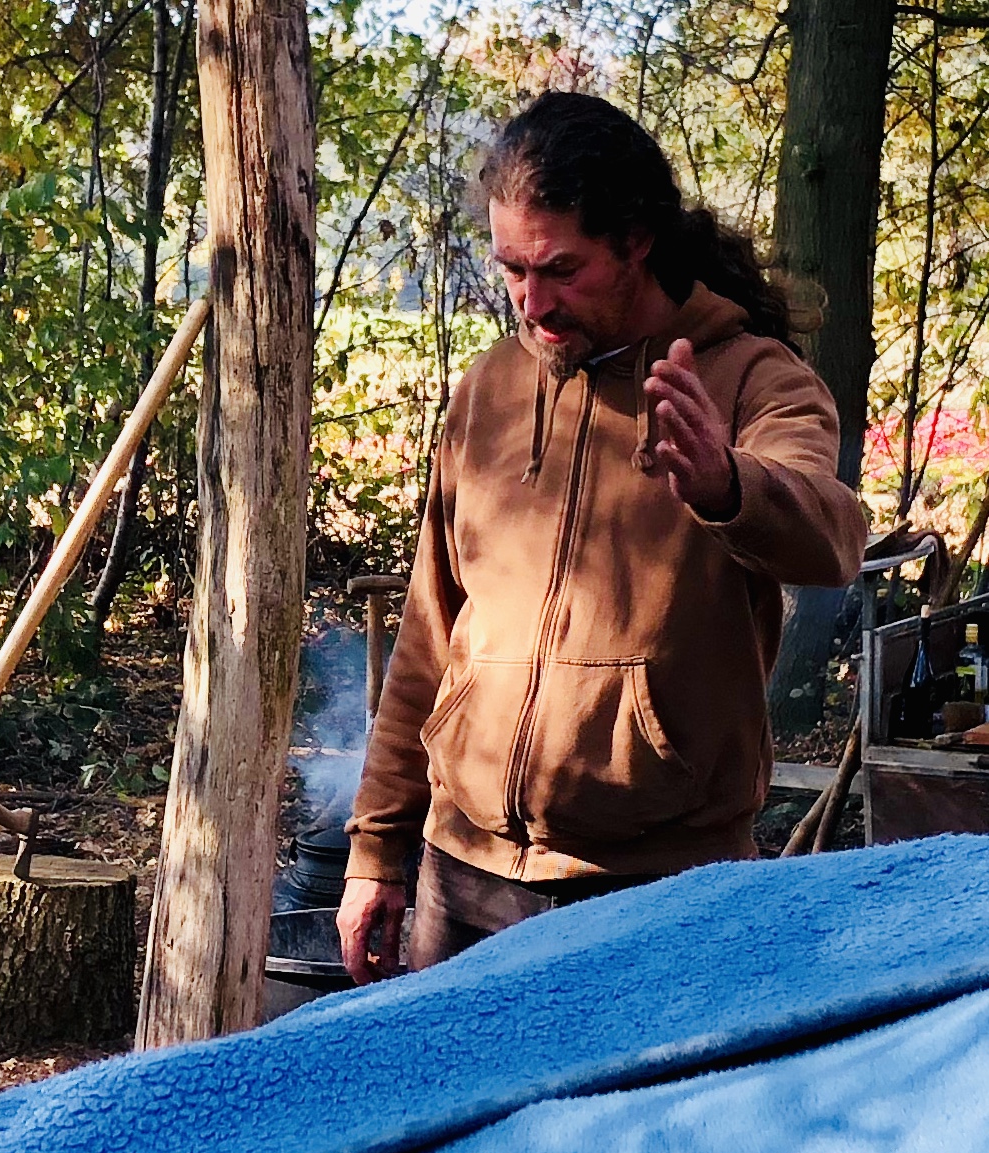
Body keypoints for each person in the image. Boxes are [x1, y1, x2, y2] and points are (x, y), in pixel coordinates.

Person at [337, 93, 865, 986]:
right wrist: (376, 851)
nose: (532, 302)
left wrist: (724, 482)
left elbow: (832, 535)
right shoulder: (489, 392)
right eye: (512, 269)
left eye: (561, 270)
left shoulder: (749, 378)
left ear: (637, 240)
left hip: (659, 889)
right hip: (463, 878)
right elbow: (431, 631)